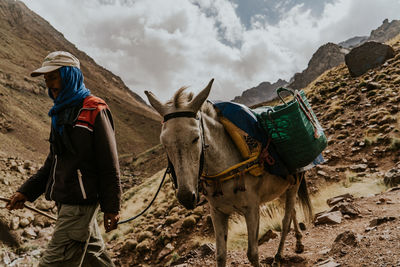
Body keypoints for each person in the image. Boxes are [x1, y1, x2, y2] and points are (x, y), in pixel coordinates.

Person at [6, 51, 121, 267]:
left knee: (52, 264)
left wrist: (112, 207)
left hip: (79, 204)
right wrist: (26, 191)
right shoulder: (61, 113)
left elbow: (109, 164)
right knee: (94, 257)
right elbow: (54, 161)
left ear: (69, 76)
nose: (49, 84)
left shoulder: (95, 109)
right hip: (67, 202)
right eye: (46, 79)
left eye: (53, 76)